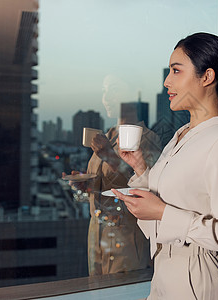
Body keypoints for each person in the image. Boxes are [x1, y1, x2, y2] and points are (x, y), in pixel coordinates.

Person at [112, 32, 218, 299]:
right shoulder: (181, 136)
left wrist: (164, 213)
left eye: (176, 71)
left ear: (207, 77)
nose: (167, 81)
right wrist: (141, 170)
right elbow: (163, 208)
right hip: (164, 271)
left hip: (197, 278)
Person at [63, 75, 161, 276]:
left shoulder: (147, 139)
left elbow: (149, 186)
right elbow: (106, 185)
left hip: (125, 237)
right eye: (105, 91)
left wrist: (109, 155)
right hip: (97, 234)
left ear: (132, 95)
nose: (106, 97)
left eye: (114, 90)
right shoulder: (106, 137)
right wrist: (86, 186)